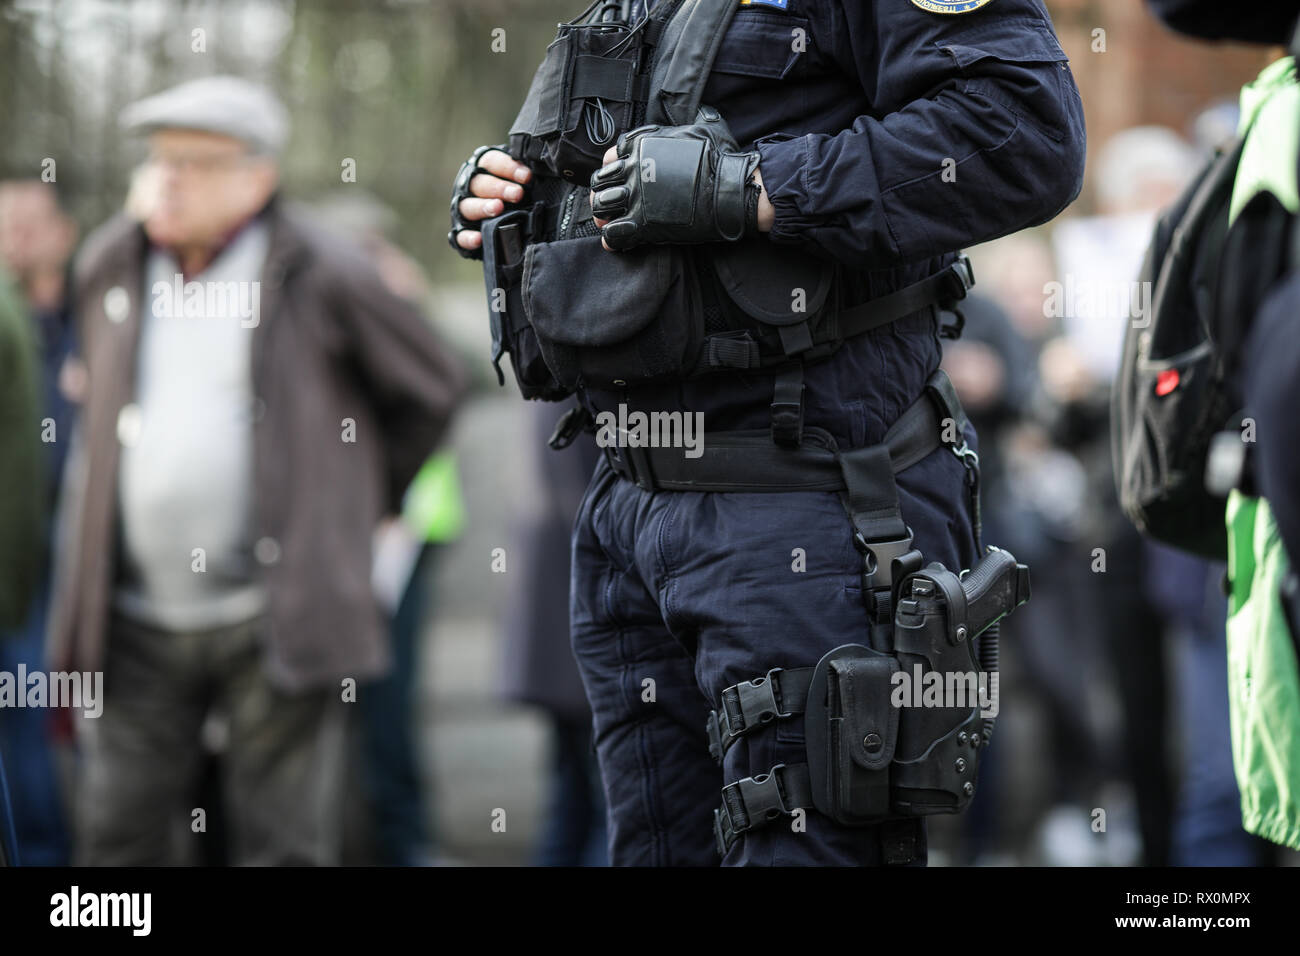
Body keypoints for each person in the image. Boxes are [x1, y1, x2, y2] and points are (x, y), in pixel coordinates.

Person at [451, 0, 1085, 866]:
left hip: (811, 516)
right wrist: (519, 203)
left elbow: (1023, 133)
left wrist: (751, 191)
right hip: (628, 513)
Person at [51, 75, 468, 865]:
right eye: (160, 158)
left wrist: (352, 507)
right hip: (132, 617)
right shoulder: (111, 258)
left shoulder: (325, 268)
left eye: (195, 162)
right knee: (115, 838)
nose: (167, 178)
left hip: (275, 619)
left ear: (258, 176)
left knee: (282, 843)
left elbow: (432, 389)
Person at [0, 180, 81, 866]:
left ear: (64, 234)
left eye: (28, 221)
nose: (12, 235)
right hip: (20, 560)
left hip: (71, 554)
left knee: (51, 718)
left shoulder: (95, 318)